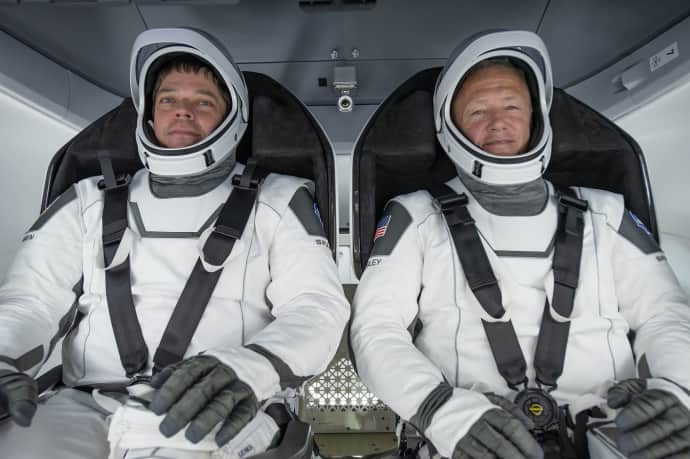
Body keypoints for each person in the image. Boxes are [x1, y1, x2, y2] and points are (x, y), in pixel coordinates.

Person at [0, 27, 349, 458]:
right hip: (87, 402)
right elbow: (32, 301)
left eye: (203, 102)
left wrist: (248, 368)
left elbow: (316, 307)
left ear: (232, 118)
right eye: (167, 99)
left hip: (225, 398)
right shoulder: (87, 199)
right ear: (149, 115)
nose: (182, 110)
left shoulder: (279, 199)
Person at [350, 30, 690, 459]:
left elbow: (665, 315)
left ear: (536, 116)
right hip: (467, 427)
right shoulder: (413, 214)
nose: (498, 122)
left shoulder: (607, 211)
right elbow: (376, 329)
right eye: (477, 110)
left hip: (614, 423)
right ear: (450, 126)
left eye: (512, 106)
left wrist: (678, 389)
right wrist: (440, 410)